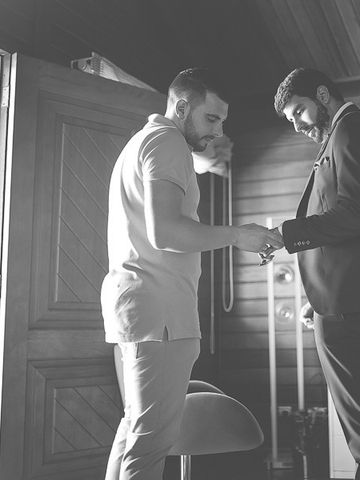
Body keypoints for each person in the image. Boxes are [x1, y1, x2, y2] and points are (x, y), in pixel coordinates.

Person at [101, 67, 282, 480]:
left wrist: (203, 166)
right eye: (211, 119)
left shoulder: (145, 141)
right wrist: (239, 235)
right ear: (181, 106)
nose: (217, 131)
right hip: (160, 313)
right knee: (150, 443)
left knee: (134, 432)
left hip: (139, 308)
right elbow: (165, 232)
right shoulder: (166, 144)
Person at [272, 68, 360, 480]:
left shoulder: (355, 129)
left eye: (299, 110)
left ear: (322, 94)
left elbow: (356, 215)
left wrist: (287, 234)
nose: (297, 124)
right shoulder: (342, 134)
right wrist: (315, 294)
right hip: (341, 297)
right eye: (290, 119)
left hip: (351, 302)